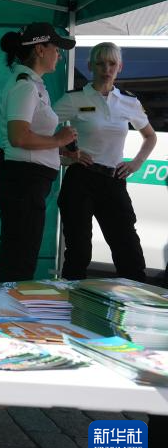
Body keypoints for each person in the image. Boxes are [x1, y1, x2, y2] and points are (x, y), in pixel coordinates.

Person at [54, 41, 157, 282]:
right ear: (90, 66)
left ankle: (132, 312)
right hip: (81, 180)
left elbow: (150, 136)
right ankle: (69, 310)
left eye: (111, 63)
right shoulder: (74, 99)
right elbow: (42, 131)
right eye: (100, 63)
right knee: (79, 253)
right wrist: (67, 157)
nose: (106, 68)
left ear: (120, 67)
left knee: (129, 251)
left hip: (114, 181)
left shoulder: (129, 101)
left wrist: (136, 163)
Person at [0, 23, 78, 283]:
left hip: (28, 180)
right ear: (40, 49)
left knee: (19, 256)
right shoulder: (25, 85)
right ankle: (3, 318)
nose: (59, 55)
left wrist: (60, 150)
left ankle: (3, 316)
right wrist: (57, 139)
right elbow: (19, 137)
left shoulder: (33, 84)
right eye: (56, 48)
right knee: (18, 259)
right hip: (23, 182)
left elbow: (27, 138)